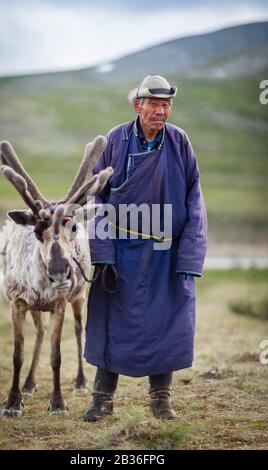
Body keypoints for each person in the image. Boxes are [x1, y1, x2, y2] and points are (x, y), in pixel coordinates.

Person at [83, 75, 208, 421]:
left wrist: (190, 255)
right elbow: (97, 197)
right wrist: (102, 252)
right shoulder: (114, 140)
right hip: (120, 252)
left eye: (166, 104)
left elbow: (194, 199)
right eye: (154, 103)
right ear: (138, 105)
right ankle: (101, 400)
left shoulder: (179, 142)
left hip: (166, 253)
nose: (161, 110)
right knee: (111, 323)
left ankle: (161, 400)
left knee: (165, 323)